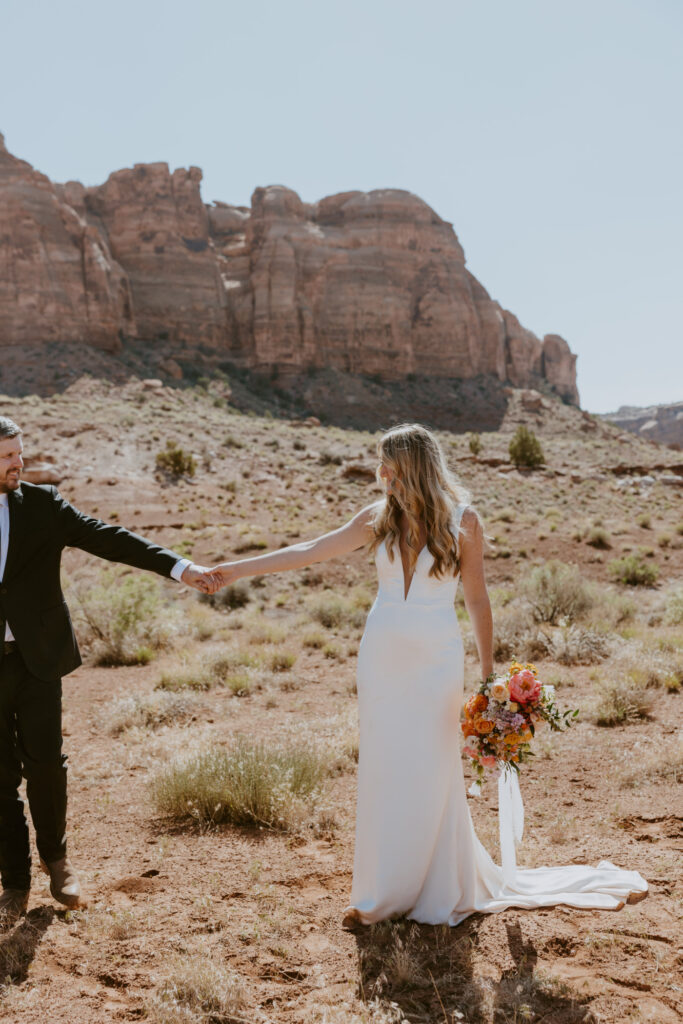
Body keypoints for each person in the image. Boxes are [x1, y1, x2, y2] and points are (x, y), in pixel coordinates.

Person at [203, 422, 648, 927]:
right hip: (382, 655)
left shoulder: (464, 521)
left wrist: (488, 678)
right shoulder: (376, 518)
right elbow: (307, 551)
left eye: (387, 464)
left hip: (438, 658)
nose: (380, 473)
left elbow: (477, 598)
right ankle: (378, 897)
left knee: (433, 767)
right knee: (384, 765)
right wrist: (234, 569)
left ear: (409, 466)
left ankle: (436, 885)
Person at [0, 416, 211, 930]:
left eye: (19, 454)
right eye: (8, 457)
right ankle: (14, 880)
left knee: (46, 763)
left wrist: (181, 568)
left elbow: (107, 537)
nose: (19, 464)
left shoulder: (43, 507)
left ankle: (58, 863)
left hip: (37, 659)